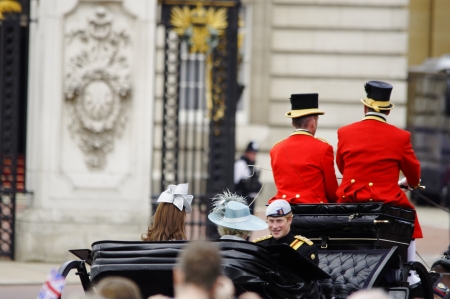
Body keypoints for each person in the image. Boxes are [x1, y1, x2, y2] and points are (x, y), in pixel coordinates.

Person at [335, 80, 422, 243]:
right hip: (385, 201)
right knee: (409, 224)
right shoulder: (401, 137)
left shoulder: (344, 132)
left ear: (364, 108)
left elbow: (342, 167)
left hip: (351, 199)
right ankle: (409, 266)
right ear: (387, 111)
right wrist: (410, 183)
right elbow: (414, 172)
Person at [269, 93, 338, 204]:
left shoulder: (276, 149)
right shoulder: (323, 148)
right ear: (313, 122)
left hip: (284, 211)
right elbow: (331, 191)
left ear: (293, 122)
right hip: (314, 213)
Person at [253, 200, 318, 265]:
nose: (274, 226)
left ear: (289, 220)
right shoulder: (259, 246)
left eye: (279, 221)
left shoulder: (305, 249)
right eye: (271, 221)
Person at [234, 141, 262, 214]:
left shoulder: (252, 166)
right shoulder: (240, 164)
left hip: (250, 202)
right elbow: (235, 185)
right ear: (246, 153)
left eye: (254, 154)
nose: (253, 156)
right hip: (240, 202)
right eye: (251, 153)